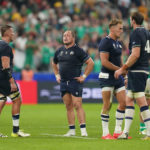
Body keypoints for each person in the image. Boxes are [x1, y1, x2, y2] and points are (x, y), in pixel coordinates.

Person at [114, 12, 150, 140]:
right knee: (129, 99)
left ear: (133, 20)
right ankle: (125, 132)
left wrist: (123, 68)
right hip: (143, 69)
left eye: (130, 19)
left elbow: (135, 54)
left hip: (137, 70)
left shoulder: (136, 33)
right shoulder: (147, 32)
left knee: (141, 100)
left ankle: (149, 132)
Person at [52, 30, 94, 137]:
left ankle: (83, 130)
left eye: (68, 35)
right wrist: (57, 75)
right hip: (63, 82)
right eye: (64, 35)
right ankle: (71, 130)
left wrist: (84, 76)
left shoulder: (78, 50)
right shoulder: (59, 51)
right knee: (68, 106)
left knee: (77, 105)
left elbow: (90, 63)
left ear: (73, 38)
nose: (65, 37)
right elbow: (54, 62)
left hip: (74, 81)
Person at [0, 25, 30, 137]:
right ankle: (15, 131)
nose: (13, 34)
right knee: (17, 100)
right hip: (4, 78)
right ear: (7, 33)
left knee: (1, 101)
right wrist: (11, 82)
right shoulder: (6, 47)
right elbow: (5, 66)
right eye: (12, 32)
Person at [98, 19, 126, 139]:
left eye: (122, 28)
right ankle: (105, 133)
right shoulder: (105, 42)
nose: (122, 30)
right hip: (107, 77)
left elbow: (120, 61)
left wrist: (124, 72)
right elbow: (104, 62)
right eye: (120, 28)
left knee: (124, 103)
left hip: (117, 77)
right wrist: (119, 70)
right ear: (112, 28)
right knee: (107, 104)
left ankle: (117, 131)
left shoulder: (119, 43)